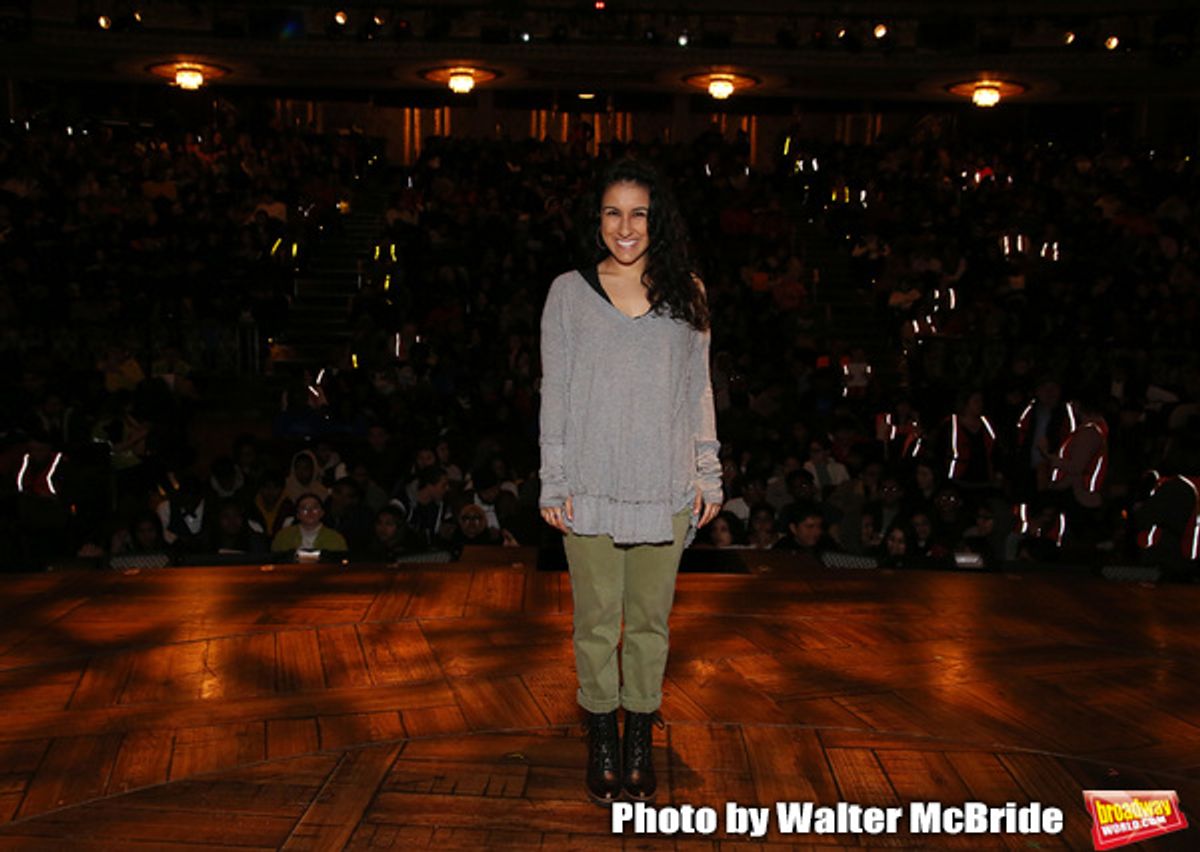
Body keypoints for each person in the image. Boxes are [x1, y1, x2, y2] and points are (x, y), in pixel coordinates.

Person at [538, 158, 722, 805]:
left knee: (649, 623)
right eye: (613, 212)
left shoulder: (688, 292)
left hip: (663, 483)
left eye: (638, 212)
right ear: (597, 220)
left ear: (656, 221)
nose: (625, 226)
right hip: (588, 485)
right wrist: (552, 480)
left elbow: (697, 389)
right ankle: (602, 738)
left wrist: (708, 471)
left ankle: (638, 733)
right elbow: (554, 392)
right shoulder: (568, 293)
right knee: (594, 623)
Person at [271, 492, 348, 555]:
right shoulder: (283, 537)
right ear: (297, 515)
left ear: (322, 513)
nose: (310, 512)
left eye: (315, 508)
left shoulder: (336, 539)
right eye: (304, 509)